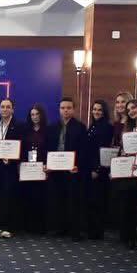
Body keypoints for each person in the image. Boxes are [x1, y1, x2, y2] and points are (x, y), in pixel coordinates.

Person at [46, 97, 86, 238]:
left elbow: (83, 150)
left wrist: (78, 165)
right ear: (59, 110)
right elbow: (48, 148)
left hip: (72, 170)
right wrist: (47, 164)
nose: (65, 110)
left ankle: (74, 231)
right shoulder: (52, 127)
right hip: (55, 169)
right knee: (58, 199)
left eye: (68, 108)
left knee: (73, 200)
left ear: (73, 109)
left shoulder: (80, 127)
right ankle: (59, 228)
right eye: (63, 108)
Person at [111, 100, 137, 249]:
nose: (132, 111)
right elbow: (120, 149)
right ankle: (127, 236)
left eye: (134, 107)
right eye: (129, 109)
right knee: (126, 203)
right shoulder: (127, 127)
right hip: (126, 168)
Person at [0, 98, 22, 238]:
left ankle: (9, 226)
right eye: (2, 107)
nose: (5, 109)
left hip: (11, 167)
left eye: (8, 107)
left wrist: (14, 158)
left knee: (9, 196)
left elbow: (22, 147)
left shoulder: (18, 126)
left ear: (12, 109)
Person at [82, 100, 114, 239]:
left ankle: (97, 231)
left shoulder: (107, 127)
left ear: (104, 111)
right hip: (90, 167)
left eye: (99, 110)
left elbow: (104, 150)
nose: (96, 112)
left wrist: (97, 169)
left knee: (98, 201)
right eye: (94, 109)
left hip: (99, 170)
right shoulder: (93, 125)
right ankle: (92, 229)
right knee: (91, 200)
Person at [20, 103, 51, 234]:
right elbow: (22, 149)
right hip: (28, 168)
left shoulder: (48, 131)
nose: (35, 117)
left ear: (41, 115)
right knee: (29, 196)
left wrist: (48, 165)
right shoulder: (26, 130)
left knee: (41, 197)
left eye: (37, 114)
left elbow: (50, 149)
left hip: (42, 168)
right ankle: (28, 225)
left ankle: (41, 226)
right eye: (32, 114)